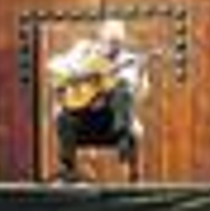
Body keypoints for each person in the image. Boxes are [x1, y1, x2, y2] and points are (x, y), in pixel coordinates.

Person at [47, 18, 147, 183]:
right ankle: (68, 170)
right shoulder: (84, 50)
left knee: (122, 90)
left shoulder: (129, 60)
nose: (114, 47)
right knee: (64, 117)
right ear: (101, 39)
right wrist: (82, 74)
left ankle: (124, 142)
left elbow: (138, 93)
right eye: (111, 42)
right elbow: (53, 66)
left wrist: (138, 75)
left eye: (118, 43)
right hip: (83, 115)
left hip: (113, 119)